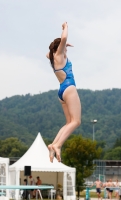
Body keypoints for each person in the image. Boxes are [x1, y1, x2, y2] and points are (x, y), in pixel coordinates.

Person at [46, 22, 81, 162]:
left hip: (61, 91)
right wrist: (65, 27)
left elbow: (47, 53)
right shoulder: (59, 56)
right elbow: (64, 38)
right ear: (59, 48)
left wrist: (62, 45)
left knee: (68, 122)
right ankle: (58, 145)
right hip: (69, 88)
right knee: (76, 121)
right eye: (62, 46)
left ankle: (53, 144)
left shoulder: (53, 58)